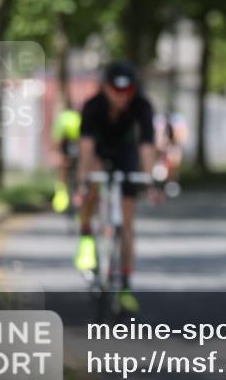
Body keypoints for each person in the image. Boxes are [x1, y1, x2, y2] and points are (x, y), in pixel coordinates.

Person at [74, 61, 161, 314]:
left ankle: (124, 284)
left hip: (125, 154)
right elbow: (86, 148)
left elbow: (146, 145)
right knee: (92, 186)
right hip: (99, 152)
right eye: (116, 91)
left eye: (127, 91)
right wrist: (83, 181)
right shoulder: (93, 106)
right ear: (105, 88)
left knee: (127, 221)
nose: (121, 97)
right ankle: (87, 240)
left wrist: (149, 179)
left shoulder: (142, 106)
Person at [51, 107, 81, 214]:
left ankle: (79, 192)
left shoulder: (80, 121)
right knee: (63, 165)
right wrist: (59, 156)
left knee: (81, 166)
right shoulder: (62, 122)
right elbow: (57, 143)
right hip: (65, 143)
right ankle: (61, 192)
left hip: (80, 142)